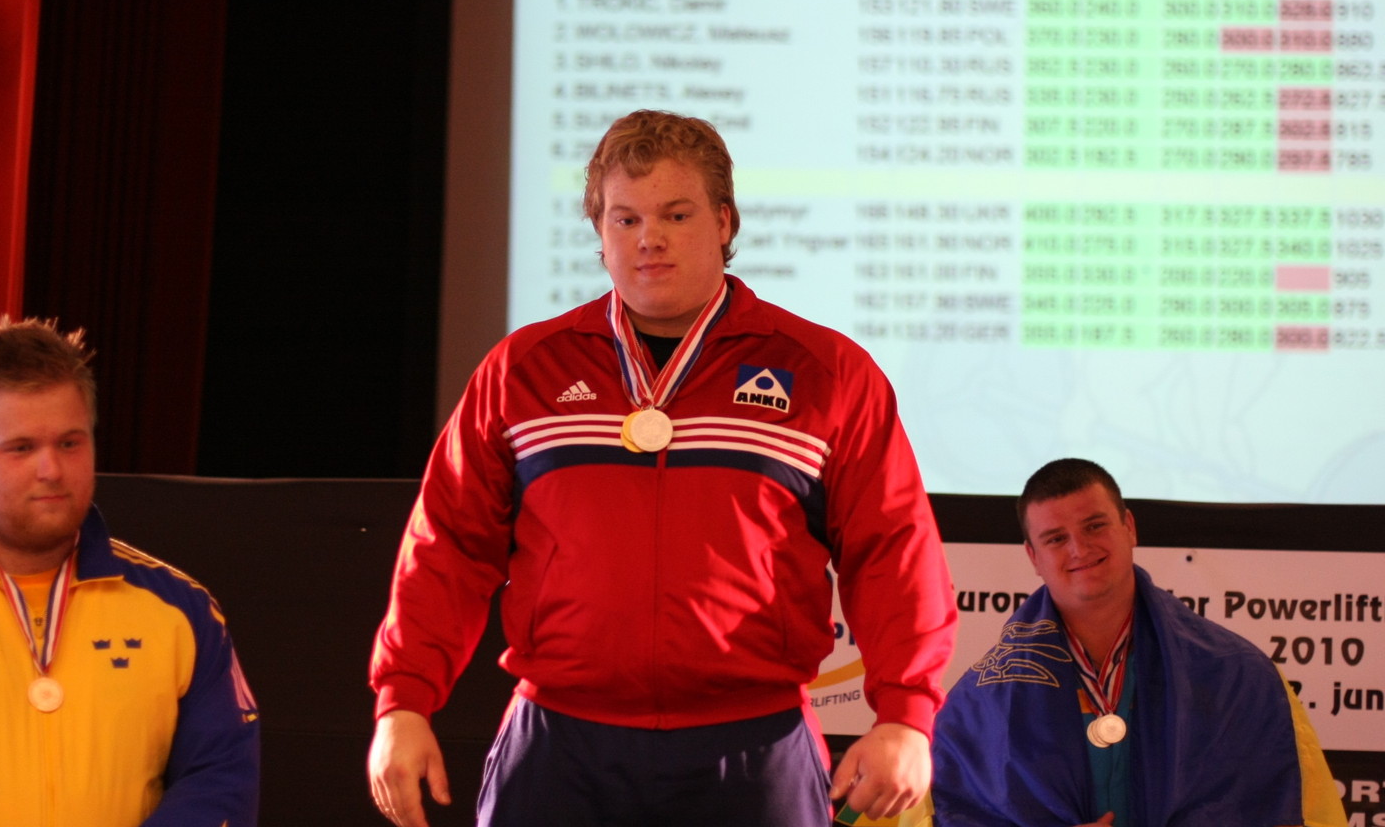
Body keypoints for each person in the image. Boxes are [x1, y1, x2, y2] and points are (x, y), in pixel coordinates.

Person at [368, 110, 957, 826]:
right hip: (558, 742)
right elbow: (447, 548)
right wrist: (403, 701)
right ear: (599, 232)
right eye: (625, 219)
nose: (649, 238)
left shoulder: (827, 373)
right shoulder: (521, 371)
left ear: (724, 221)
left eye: (676, 214)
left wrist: (906, 715)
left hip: (755, 744)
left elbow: (892, 551)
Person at [0, 318, 260, 827]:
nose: (52, 470)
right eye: (22, 448)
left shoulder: (182, 609)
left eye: (69, 443)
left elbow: (221, 779)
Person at [931, 458, 1345, 827]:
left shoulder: (1238, 675)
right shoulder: (978, 704)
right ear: (1033, 556)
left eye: (1095, 526)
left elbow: (1287, 814)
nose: (1079, 548)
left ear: (1129, 527)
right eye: (1056, 538)